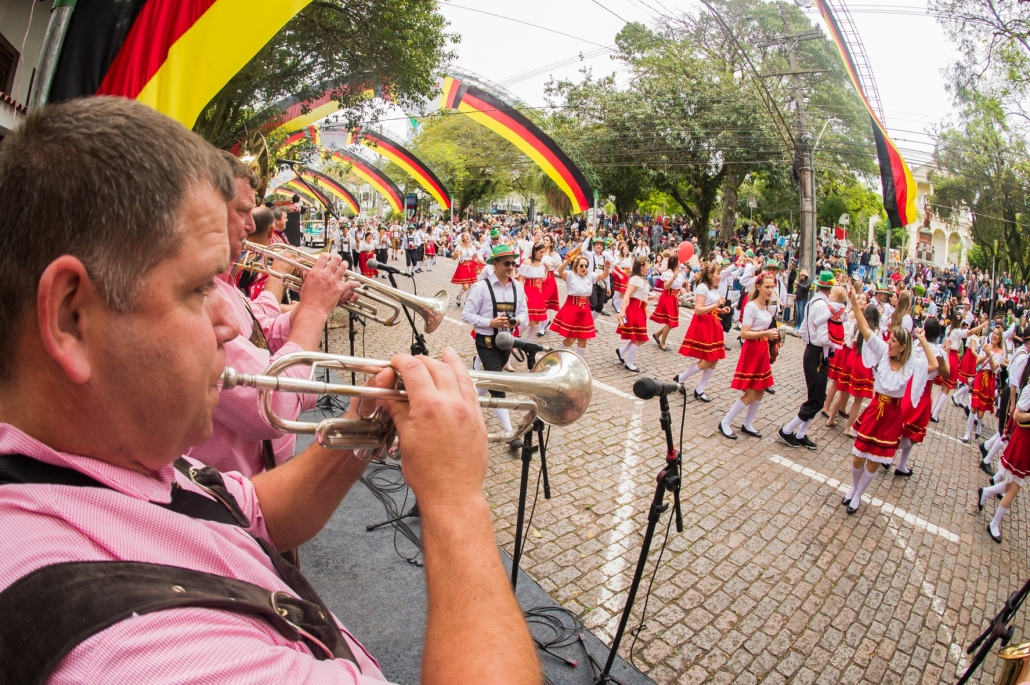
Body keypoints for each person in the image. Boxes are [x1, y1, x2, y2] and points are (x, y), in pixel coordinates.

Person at [0, 96, 539, 685]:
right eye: (199, 287)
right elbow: (269, 415)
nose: (228, 322)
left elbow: (251, 511)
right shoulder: (140, 655)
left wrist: (361, 427)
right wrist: (456, 502)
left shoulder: (96, 455)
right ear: (72, 317)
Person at [841, 284, 937, 514]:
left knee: (874, 460)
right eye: (890, 338)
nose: (889, 341)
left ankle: (859, 495)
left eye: (894, 340)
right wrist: (854, 301)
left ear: (903, 347)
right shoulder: (883, 352)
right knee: (857, 456)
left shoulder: (911, 363)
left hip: (893, 415)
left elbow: (933, 365)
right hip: (876, 408)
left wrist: (923, 340)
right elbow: (865, 330)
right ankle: (853, 488)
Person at [462, 244, 529, 450]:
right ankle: (510, 435)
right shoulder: (481, 287)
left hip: (506, 343)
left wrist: (516, 321)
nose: (511, 267)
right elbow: (466, 314)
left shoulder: (517, 286)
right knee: (498, 384)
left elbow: (524, 313)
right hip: (487, 343)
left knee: (486, 383)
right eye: (507, 263)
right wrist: (489, 322)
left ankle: (464, 404)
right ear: (495, 264)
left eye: (513, 263)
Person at [778, 271, 836, 450]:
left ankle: (801, 433)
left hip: (814, 351)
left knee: (815, 396)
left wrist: (809, 345)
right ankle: (788, 430)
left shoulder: (814, 302)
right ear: (829, 288)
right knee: (817, 399)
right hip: (818, 352)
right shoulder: (823, 306)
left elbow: (804, 329)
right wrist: (836, 341)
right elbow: (821, 337)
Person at [718, 272, 779, 439]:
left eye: (772, 287)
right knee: (751, 393)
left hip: (762, 350)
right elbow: (744, 333)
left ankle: (748, 423)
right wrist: (766, 332)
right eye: (767, 287)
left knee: (760, 391)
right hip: (752, 350)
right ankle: (725, 422)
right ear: (758, 287)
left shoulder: (766, 306)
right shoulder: (751, 306)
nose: (770, 290)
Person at [894, 317, 949, 476]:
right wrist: (948, 353)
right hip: (923, 391)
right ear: (938, 334)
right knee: (914, 431)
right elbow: (947, 374)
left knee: (902, 424)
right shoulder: (938, 352)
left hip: (907, 385)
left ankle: (895, 460)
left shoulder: (915, 344)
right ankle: (896, 459)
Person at [676, 261, 730, 402]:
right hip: (704, 325)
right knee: (706, 360)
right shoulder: (702, 287)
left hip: (713, 323)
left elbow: (709, 306)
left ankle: (700, 389)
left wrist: (719, 310)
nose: (720, 276)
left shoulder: (713, 289)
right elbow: (698, 309)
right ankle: (681, 377)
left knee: (714, 358)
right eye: (718, 273)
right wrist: (716, 304)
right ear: (710, 274)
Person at [981, 327, 1030, 474]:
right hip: (1012, 393)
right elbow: (1015, 380)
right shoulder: (1023, 355)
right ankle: (987, 460)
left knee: (1006, 430)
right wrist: (1013, 404)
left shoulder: (1022, 352)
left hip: (1013, 392)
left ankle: (987, 446)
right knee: (1006, 431)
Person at [551, 253, 611, 357]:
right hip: (572, 308)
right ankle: (557, 356)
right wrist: (567, 261)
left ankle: (579, 361)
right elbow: (560, 271)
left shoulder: (590, 276)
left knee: (583, 338)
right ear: (576, 266)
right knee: (571, 338)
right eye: (581, 266)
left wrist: (606, 267)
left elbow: (604, 275)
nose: (584, 268)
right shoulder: (570, 275)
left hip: (585, 310)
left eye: (586, 266)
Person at [963, 326, 1005, 443]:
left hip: (990, 380)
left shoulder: (1000, 352)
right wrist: (985, 354)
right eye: (994, 333)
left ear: (1000, 338)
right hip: (981, 376)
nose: (995, 335)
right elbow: (977, 362)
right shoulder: (986, 347)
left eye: (997, 334)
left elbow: (993, 367)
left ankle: (979, 426)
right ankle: (967, 434)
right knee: (973, 408)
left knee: (980, 414)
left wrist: (989, 355)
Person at [615, 257, 652, 372]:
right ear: (641, 268)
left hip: (641, 310)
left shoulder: (642, 279)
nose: (648, 268)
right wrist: (622, 311)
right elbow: (627, 295)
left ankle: (621, 351)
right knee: (640, 338)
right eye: (647, 266)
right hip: (634, 310)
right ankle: (629, 362)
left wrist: (651, 297)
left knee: (638, 337)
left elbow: (641, 295)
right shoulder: (636, 279)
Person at [650, 255, 686, 351]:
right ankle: (662, 342)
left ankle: (657, 335)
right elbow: (665, 287)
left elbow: (677, 287)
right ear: (675, 262)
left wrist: (681, 290)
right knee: (670, 322)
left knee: (672, 323)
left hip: (674, 298)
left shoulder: (680, 273)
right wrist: (673, 279)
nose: (681, 262)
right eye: (679, 261)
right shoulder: (668, 273)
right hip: (667, 298)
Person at [517, 243, 548, 342]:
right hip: (529, 291)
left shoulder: (542, 264)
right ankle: (517, 335)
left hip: (539, 293)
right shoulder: (527, 263)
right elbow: (521, 279)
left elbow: (542, 279)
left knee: (537, 321)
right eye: (541, 252)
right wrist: (523, 293)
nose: (542, 254)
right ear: (535, 251)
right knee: (528, 321)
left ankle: (529, 341)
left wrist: (547, 269)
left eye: (543, 252)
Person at [450, 231, 479, 308]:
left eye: (468, 236)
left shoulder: (472, 247)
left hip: (470, 266)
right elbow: (454, 258)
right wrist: (455, 253)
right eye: (465, 236)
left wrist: (480, 265)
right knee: (465, 287)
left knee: (471, 286)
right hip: (463, 266)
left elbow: (475, 258)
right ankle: (459, 298)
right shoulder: (459, 247)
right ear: (462, 238)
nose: (467, 237)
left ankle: (467, 301)